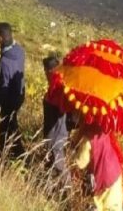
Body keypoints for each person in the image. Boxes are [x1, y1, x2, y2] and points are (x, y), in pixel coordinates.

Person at [0, 22, 25, 157]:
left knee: (5, 129)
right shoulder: (20, 51)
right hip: (19, 94)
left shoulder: (4, 62)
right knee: (12, 123)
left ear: (0, 38)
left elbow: (2, 90)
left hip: (9, 99)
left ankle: (9, 156)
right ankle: (15, 153)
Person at [70, 122, 123, 211]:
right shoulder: (105, 129)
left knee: (99, 204)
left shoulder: (87, 138)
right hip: (115, 173)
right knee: (114, 206)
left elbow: (80, 163)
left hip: (102, 178)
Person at [42, 55, 71, 190]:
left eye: (45, 71)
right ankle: (47, 189)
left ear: (49, 71)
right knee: (49, 161)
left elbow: (59, 110)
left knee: (59, 164)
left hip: (56, 135)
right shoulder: (58, 85)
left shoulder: (57, 89)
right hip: (55, 133)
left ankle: (68, 191)